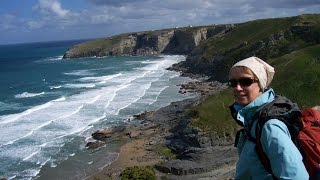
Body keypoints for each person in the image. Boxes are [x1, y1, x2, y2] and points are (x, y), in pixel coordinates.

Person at [228, 56, 309, 179]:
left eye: (245, 82)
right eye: (233, 83)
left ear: (260, 83)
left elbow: (296, 177)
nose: (237, 88)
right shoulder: (253, 119)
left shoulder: (270, 127)